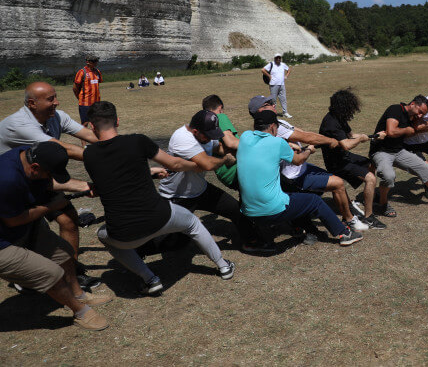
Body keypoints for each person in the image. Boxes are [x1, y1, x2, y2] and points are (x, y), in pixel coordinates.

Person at [83, 102, 235, 295]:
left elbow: (115, 176)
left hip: (122, 232)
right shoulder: (138, 141)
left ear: (92, 126)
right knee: (192, 222)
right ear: (118, 122)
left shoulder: (89, 155)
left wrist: (148, 173)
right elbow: (174, 163)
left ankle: (150, 279)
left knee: (102, 235)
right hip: (159, 217)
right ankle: (223, 266)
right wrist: (197, 166)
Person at [0, 142, 113, 331]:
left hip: (21, 228)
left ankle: (79, 294)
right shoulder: (6, 179)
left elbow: (46, 182)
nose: (51, 177)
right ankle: (81, 312)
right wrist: (53, 206)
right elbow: (14, 220)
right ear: (35, 167)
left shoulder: (27, 158)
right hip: (4, 241)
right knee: (50, 273)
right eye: (49, 173)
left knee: (64, 254)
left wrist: (85, 187)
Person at [0, 82, 101, 290]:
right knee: (24, 232)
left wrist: (115, 146)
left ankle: (71, 271)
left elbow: (89, 136)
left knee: (69, 219)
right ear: (32, 103)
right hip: (11, 186)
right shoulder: (19, 125)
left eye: (55, 97)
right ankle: (26, 278)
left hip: (39, 177)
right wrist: (112, 160)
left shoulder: (57, 116)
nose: (57, 102)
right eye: (50, 99)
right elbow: (65, 150)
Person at [237, 110, 362, 246]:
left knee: (296, 198)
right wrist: (309, 150)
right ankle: (344, 233)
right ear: (273, 126)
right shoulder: (277, 143)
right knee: (314, 201)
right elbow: (298, 160)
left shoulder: (245, 137)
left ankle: (303, 228)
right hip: (271, 211)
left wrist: (289, 145)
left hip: (249, 212)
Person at [158, 110, 259, 251]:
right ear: (195, 131)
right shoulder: (182, 138)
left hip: (200, 189)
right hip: (177, 196)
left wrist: (243, 151)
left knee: (235, 209)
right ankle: (139, 250)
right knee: (176, 242)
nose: (211, 138)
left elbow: (218, 147)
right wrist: (225, 160)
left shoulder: (204, 134)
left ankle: (251, 241)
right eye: (208, 135)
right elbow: (207, 164)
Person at [370, 95, 428, 216]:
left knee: (425, 169)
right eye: (420, 112)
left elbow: (414, 129)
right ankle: (382, 204)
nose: (420, 116)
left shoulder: (412, 116)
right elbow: (391, 132)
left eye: (423, 114)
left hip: (398, 151)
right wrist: (407, 130)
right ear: (413, 104)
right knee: (389, 176)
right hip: (381, 151)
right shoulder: (395, 109)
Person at [318, 88, 385, 230]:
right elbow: (347, 145)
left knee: (370, 164)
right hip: (336, 162)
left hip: (344, 157)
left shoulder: (339, 117)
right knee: (371, 179)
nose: (352, 111)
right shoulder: (330, 122)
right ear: (344, 107)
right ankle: (369, 218)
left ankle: (367, 196)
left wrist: (371, 136)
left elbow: (351, 136)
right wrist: (360, 139)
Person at [73, 55, 102, 131]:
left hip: (96, 103)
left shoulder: (97, 72)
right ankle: (84, 143)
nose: (95, 63)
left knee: (97, 123)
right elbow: (75, 88)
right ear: (87, 62)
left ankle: (96, 141)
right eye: (93, 61)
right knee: (85, 124)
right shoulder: (82, 72)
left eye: (96, 61)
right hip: (85, 103)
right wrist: (79, 97)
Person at [262, 54, 292, 118]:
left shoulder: (283, 64)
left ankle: (285, 113)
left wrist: (286, 76)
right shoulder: (271, 64)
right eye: (277, 58)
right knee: (273, 100)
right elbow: (263, 70)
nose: (278, 59)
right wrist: (269, 76)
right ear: (274, 58)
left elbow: (289, 69)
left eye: (279, 58)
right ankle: (273, 113)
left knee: (283, 99)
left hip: (282, 84)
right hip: (273, 84)